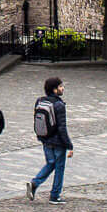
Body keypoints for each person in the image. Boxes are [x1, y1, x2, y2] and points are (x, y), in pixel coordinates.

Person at [27, 75, 72, 205]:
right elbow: (62, 127)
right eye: (60, 86)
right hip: (58, 141)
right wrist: (69, 145)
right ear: (54, 89)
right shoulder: (59, 105)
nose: (63, 88)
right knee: (59, 167)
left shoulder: (40, 101)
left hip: (45, 138)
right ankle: (55, 195)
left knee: (50, 163)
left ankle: (35, 183)